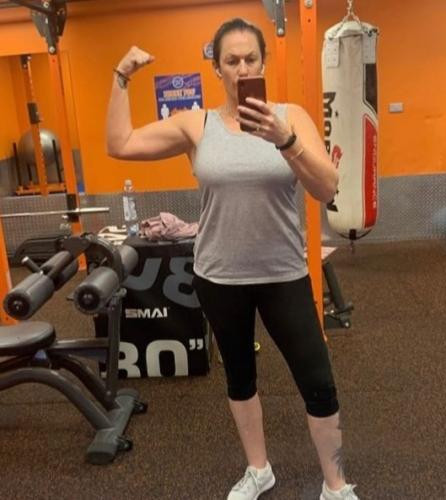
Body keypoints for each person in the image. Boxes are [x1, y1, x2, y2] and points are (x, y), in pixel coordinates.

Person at [106, 17, 358, 500]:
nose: (243, 69)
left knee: (318, 382)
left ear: (263, 62)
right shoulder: (196, 123)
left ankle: (336, 485)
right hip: (219, 277)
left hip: (283, 274)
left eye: (251, 59)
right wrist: (121, 77)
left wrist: (285, 140)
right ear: (216, 67)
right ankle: (258, 470)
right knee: (241, 378)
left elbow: (327, 187)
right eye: (232, 60)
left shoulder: (291, 116)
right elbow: (120, 144)